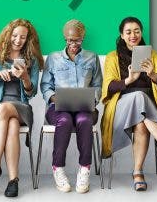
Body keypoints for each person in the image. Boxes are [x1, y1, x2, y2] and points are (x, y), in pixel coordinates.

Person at [101, 17, 157, 191]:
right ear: (122, 35)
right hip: (121, 107)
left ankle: (138, 173)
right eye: (128, 32)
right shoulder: (112, 56)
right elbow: (108, 87)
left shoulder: (152, 55)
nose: (133, 35)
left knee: (142, 125)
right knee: (138, 96)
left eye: (137, 31)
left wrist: (153, 75)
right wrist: (129, 80)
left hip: (146, 110)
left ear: (141, 32)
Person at [0, 19, 43, 197]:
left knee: (5, 108)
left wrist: (24, 77)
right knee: (12, 124)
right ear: (8, 35)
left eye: (23, 37)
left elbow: (32, 93)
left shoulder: (31, 61)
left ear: (28, 39)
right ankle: (13, 180)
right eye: (15, 36)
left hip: (21, 107)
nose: (18, 40)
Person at [40, 19, 102, 194]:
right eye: (69, 40)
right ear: (65, 38)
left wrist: (92, 100)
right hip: (58, 108)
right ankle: (58, 168)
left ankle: (84, 168)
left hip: (85, 108)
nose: (73, 44)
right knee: (65, 121)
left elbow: (98, 85)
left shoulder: (92, 57)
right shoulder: (53, 58)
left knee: (83, 120)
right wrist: (55, 98)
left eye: (77, 40)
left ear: (83, 38)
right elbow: (45, 85)